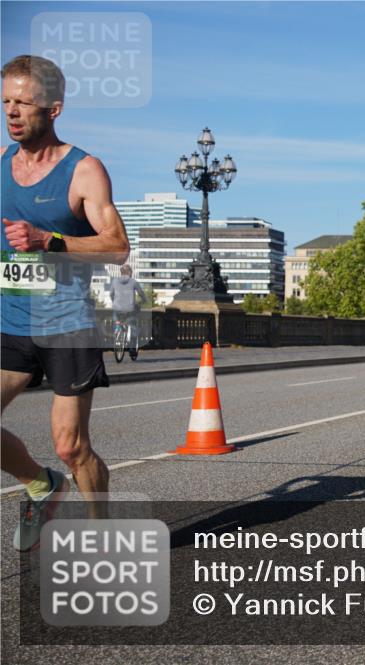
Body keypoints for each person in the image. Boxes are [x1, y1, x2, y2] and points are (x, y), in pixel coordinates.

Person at [1, 55, 130, 549]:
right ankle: (40, 484)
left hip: (68, 323)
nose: (12, 113)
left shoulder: (84, 170)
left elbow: (117, 244)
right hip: (10, 319)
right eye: (6, 102)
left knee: (71, 445)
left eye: (23, 104)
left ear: (54, 108)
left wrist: (50, 240)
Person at [109, 264, 147, 359]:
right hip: (130, 309)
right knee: (133, 327)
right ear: (130, 272)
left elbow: (111, 294)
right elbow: (141, 293)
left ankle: (116, 333)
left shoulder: (114, 281)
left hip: (117, 308)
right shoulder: (133, 282)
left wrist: (115, 301)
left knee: (116, 321)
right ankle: (132, 350)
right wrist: (144, 300)